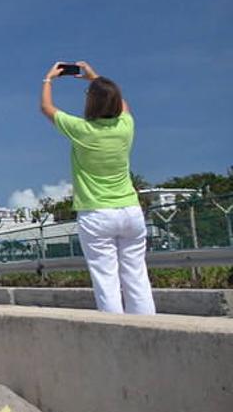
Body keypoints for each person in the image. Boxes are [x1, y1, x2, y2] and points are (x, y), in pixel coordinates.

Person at [41, 61, 154, 314]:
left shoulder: (82, 130)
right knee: (137, 277)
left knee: (107, 281)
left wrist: (48, 79)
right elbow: (123, 105)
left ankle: (115, 335)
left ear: (90, 103)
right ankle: (149, 328)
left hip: (97, 214)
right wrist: (95, 79)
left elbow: (46, 108)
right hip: (130, 210)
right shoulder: (126, 127)